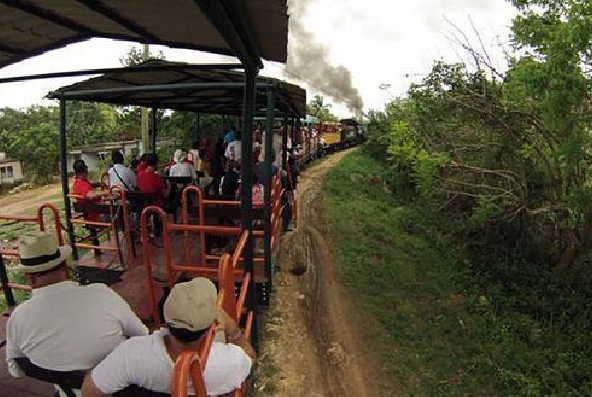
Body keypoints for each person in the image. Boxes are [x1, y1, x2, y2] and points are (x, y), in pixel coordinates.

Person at [5, 231, 148, 396]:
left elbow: (16, 368)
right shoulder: (101, 294)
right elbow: (141, 334)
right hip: (120, 390)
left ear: (29, 277)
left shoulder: (18, 318)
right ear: (65, 266)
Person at [81, 277, 255, 396]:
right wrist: (232, 328)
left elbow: (89, 391)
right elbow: (250, 357)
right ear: (212, 325)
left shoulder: (131, 353)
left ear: (165, 320)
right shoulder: (229, 360)